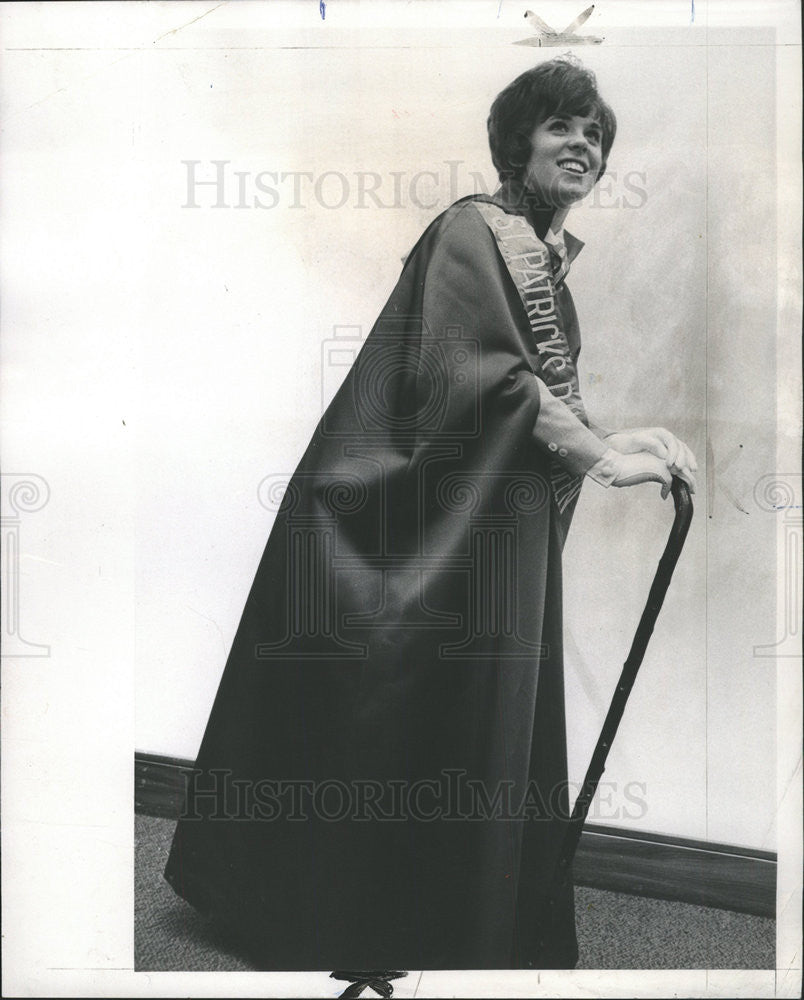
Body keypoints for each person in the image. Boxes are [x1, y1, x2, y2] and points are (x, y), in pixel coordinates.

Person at [164, 56, 696, 975]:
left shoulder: (541, 263)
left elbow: (526, 395)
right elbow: (478, 379)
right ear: (516, 141)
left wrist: (620, 435)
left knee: (464, 714)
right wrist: (605, 455)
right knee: (402, 705)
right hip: (399, 520)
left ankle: (441, 923)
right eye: (562, 126)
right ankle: (347, 921)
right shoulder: (470, 231)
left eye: (596, 134)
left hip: (483, 527)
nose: (584, 144)